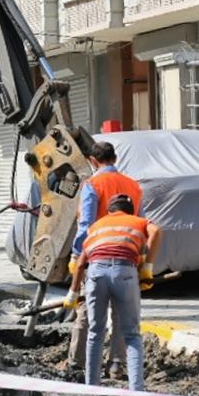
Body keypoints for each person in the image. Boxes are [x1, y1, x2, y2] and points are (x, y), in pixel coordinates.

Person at [65, 194, 162, 396]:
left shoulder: (97, 226)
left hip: (96, 273)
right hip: (124, 273)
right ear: (131, 210)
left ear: (110, 211)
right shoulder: (138, 221)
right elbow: (156, 232)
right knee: (132, 336)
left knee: (95, 332)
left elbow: (81, 263)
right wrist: (147, 267)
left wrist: (72, 293)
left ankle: (92, 392)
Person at [67, 141, 143, 377]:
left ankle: (78, 362)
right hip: (127, 255)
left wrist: (78, 254)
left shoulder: (93, 184)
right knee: (121, 312)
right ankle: (117, 364)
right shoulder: (134, 186)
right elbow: (139, 221)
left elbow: (86, 224)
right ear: (115, 158)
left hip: (97, 254)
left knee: (88, 312)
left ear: (92, 161)